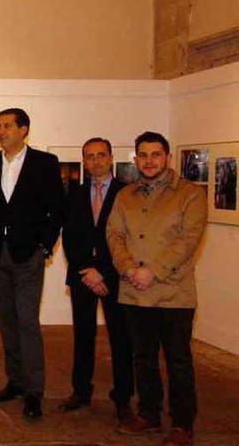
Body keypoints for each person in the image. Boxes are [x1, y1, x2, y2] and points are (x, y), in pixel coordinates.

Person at [107, 132, 207, 446]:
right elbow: (114, 235)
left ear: (167, 158)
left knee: (178, 360)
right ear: (136, 159)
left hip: (173, 293)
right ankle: (148, 415)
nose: (149, 161)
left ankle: (182, 424)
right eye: (143, 155)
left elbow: (188, 240)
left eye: (156, 155)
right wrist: (128, 269)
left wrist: (154, 271)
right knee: (143, 358)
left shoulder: (190, 194)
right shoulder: (125, 196)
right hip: (134, 291)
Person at [0, 108, 63, 418]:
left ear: (24, 129)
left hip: (28, 255)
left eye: (8, 126)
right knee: (7, 321)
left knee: (27, 322)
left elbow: (57, 209)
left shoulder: (44, 163)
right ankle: (15, 381)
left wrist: (44, 246)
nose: (1, 131)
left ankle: (34, 391)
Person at [59, 138, 135, 426]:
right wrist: (86, 270)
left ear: (111, 157)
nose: (95, 161)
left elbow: (127, 239)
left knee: (121, 339)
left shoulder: (126, 194)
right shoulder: (75, 194)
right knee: (83, 337)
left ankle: (123, 398)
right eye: (89, 157)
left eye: (100, 155)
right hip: (82, 277)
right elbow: (70, 237)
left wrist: (102, 271)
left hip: (115, 277)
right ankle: (81, 391)